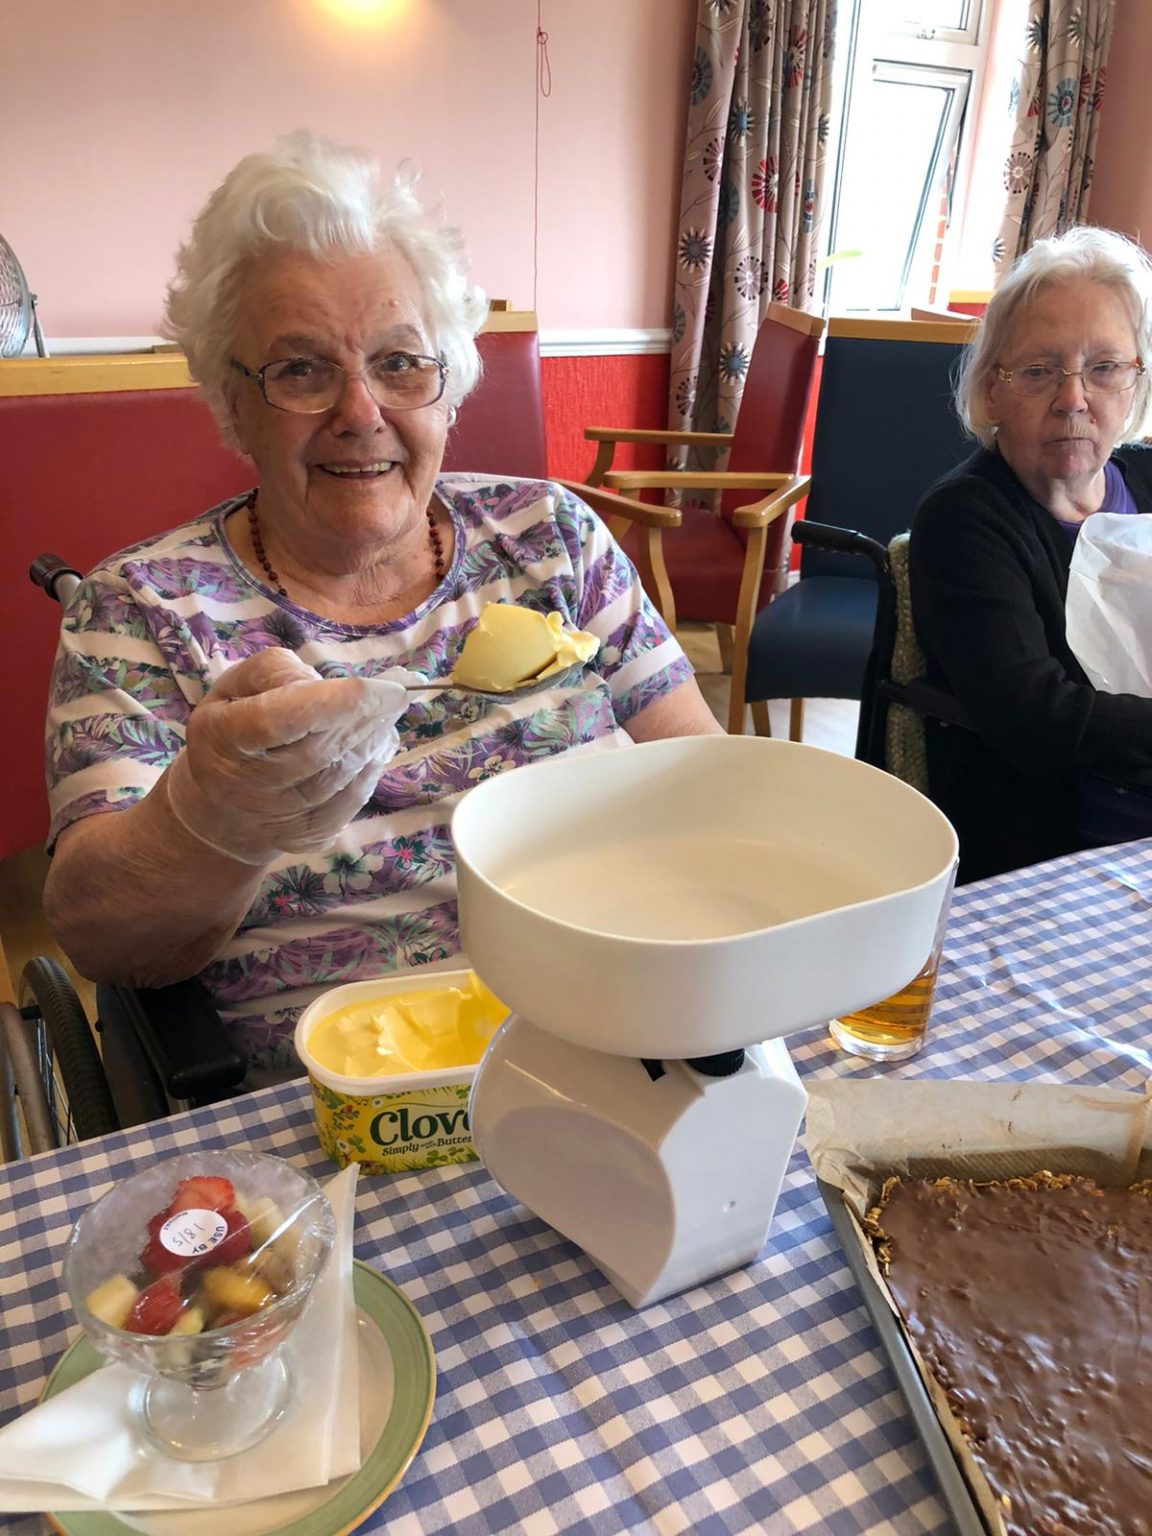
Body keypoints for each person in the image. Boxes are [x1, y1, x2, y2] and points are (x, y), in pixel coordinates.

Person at [43, 132, 721, 1081]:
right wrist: (215, 815)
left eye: (400, 362)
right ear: (234, 405)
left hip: (623, 1036)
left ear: (449, 389)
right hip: (353, 1101)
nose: (360, 412)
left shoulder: (551, 535)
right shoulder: (138, 611)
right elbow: (103, 938)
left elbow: (703, 780)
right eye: (301, 369)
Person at [909, 225, 1152, 882]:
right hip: (1064, 851)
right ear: (994, 390)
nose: (1074, 399)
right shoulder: (965, 519)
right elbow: (1035, 716)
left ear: (1136, 382)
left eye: (1105, 368)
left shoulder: (1147, 479)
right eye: (1040, 371)